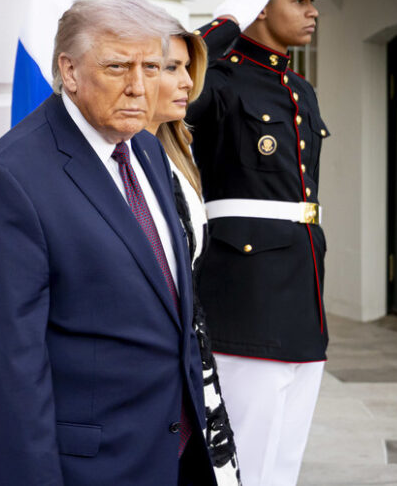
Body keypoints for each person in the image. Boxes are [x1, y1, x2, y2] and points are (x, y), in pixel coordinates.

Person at [0, 0, 215, 486]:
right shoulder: (11, 181)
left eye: (151, 67)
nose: (138, 87)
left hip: (166, 453)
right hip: (81, 467)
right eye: (117, 67)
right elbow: (3, 374)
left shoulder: (146, 149)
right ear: (69, 71)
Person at [187, 0, 331, 486]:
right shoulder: (218, 80)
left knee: (284, 460)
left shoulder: (299, 88)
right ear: (261, 6)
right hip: (245, 293)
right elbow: (166, 89)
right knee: (242, 457)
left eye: (312, 1)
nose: (312, 11)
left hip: (301, 292)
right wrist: (224, 25)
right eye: (299, 0)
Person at [146, 26, 242, 486]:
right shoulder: (120, 164)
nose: (187, 82)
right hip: (150, 378)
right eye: (171, 68)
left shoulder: (177, 152)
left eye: (188, 68)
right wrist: (233, 20)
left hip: (193, 364)